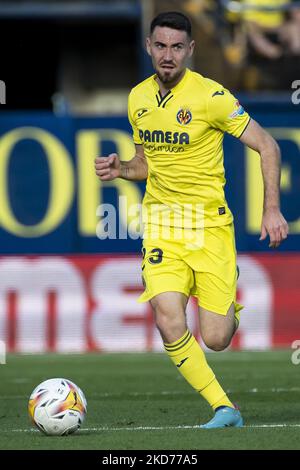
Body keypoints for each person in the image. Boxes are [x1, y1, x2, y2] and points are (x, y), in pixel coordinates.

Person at [95, 11, 289, 428]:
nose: (168, 55)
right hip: (163, 225)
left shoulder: (211, 97)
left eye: (177, 47)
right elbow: (146, 165)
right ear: (149, 46)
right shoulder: (137, 99)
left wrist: (271, 207)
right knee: (168, 318)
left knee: (216, 338)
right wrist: (121, 168)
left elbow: (269, 146)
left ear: (190, 50)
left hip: (210, 227)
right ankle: (225, 408)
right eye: (161, 46)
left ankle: (227, 307)